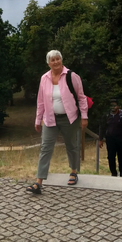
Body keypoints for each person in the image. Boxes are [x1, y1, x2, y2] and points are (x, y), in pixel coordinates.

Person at [26, 50, 88, 195]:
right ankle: (38, 182)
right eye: (52, 60)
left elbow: (81, 97)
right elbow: (40, 101)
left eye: (58, 59)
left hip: (69, 118)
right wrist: (37, 119)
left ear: (61, 60)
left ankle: (73, 172)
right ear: (48, 63)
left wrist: (84, 117)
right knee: (45, 148)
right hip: (50, 118)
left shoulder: (72, 76)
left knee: (72, 146)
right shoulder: (44, 78)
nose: (55, 62)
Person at [99, 100, 122, 177]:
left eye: (114, 106)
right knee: (111, 156)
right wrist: (100, 139)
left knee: (121, 156)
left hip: (121, 140)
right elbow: (102, 127)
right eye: (111, 106)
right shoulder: (106, 115)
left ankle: (121, 172)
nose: (113, 107)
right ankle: (113, 173)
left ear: (118, 106)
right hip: (110, 140)